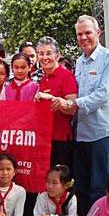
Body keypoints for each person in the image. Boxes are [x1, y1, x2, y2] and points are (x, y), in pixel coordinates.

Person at [68, 15, 109, 216]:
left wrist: (74, 104)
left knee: (99, 186)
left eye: (88, 32)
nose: (84, 37)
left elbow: (103, 94)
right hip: (80, 133)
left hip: (101, 133)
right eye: (80, 34)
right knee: (82, 184)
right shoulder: (79, 62)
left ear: (98, 33)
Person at [34, 36, 78, 169]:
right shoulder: (42, 79)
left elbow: (73, 108)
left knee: (59, 179)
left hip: (61, 139)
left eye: (49, 53)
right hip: (45, 138)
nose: (44, 57)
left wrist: (50, 98)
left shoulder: (66, 76)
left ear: (57, 56)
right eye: (41, 54)